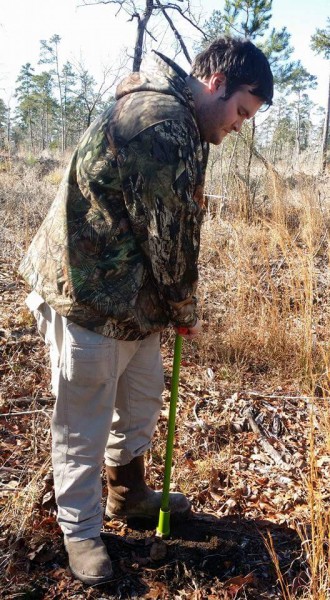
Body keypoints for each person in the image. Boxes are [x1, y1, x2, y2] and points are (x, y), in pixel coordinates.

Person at [20, 36, 273, 585]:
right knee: (82, 424)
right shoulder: (159, 124)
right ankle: (81, 531)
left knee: (140, 398)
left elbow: (174, 225)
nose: (239, 125)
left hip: (132, 300)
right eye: (240, 111)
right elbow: (168, 237)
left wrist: (171, 304)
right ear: (215, 84)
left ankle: (127, 493)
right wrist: (185, 306)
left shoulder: (185, 122)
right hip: (85, 296)